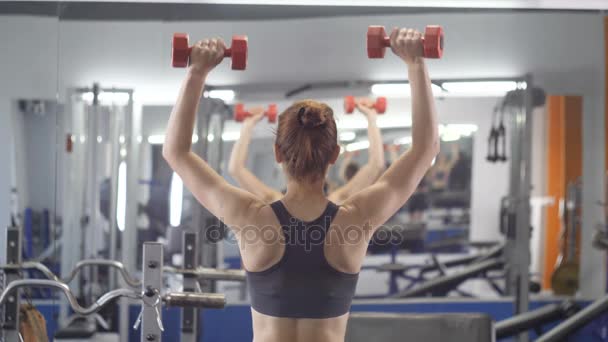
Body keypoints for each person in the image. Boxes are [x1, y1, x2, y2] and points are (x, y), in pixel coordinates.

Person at [163, 27, 439, 342]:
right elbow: (425, 149)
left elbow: (176, 152)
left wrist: (197, 71)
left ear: (277, 152)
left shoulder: (250, 217)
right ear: (334, 155)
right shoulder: (356, 219)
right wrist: (415, 63)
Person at [227, 98, 385, 205]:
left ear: (278, 153)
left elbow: (236, 169)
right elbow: (376, 166)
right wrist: (371, 117)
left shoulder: (271, 203)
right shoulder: (340, 205)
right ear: (334, 155)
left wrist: (248, 124)